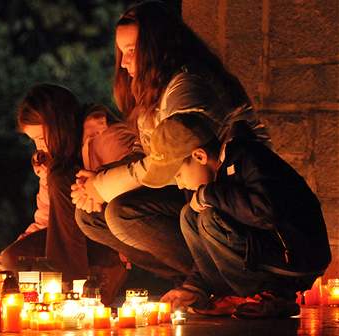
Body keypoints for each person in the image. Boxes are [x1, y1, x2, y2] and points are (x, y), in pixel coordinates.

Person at [73, 0, 270, 284]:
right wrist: (96, 182)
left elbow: (168, 160)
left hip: (218, 189)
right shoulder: (157, 89)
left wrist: (103, 186)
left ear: (156, 48)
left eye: (132, 51)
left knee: (121, 213)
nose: (125, 62)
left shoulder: (188, 86)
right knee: (90, 216)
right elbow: (147, 153)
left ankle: (220, 279)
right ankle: (192, 279)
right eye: (121, 52)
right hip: (179, 184)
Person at [143, 112, 331, 318]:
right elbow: (210, 248)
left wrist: (208, 193)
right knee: (189, 214)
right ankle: (230, 295)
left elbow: (266, 212)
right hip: (267, 253)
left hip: (297, 257)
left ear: (199, 156)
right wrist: (193, 286)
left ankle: (271, 297)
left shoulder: (249, 157)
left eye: (178, 174)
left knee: (208, 218)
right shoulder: (223, 173)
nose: (180, 185)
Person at [0, 85, 137, 305]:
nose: (39, 147)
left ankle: (69, 291)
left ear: (59, 126)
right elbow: (46, 220)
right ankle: (56, 285)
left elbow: (137, 183)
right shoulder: (53, 160)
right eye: (33, 141)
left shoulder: (105, 138)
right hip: (75, 236)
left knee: (62, 177)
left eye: (41, 137)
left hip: (108, 238)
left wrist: (124, 243)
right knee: (12, 259)